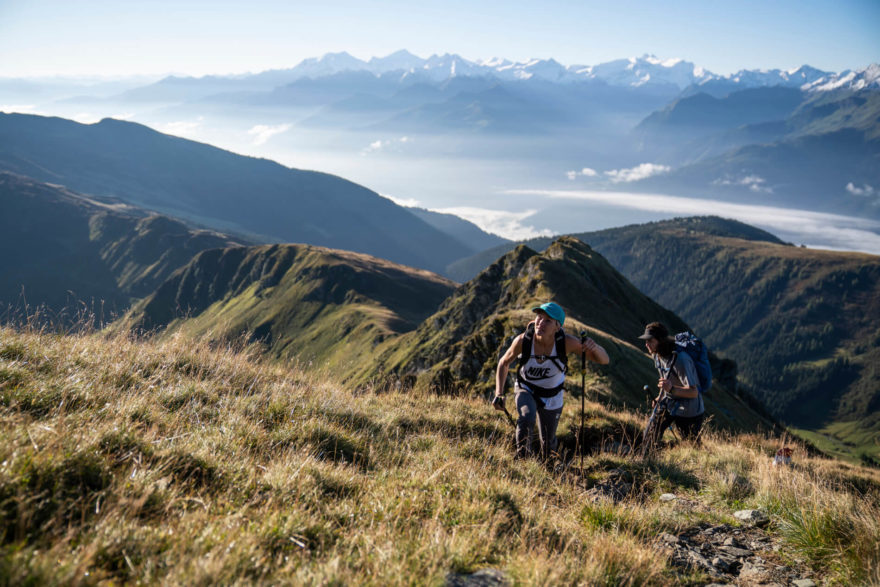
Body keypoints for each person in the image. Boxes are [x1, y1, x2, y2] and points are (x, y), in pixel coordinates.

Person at [493, 302, 609, 460]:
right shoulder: (523, 341)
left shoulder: (566, 343)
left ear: (557, 327)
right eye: (539, 317)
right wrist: (499, 393)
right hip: (525, 388)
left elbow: (604, 360)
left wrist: (594, 347)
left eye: (547, 320)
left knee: (548, 441)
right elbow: (503, 363)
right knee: (526, 418)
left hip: (552, 396)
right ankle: (523, 462)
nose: (540, 322)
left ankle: (549, 467)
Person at [639, 322, 705, 448]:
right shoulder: (657, 355)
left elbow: (693, 392)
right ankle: (646, 463)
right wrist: (660, 397)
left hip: (689, 410)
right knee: (650, 434)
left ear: (660, 341)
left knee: (693, 447)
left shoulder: (681, 359)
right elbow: (665, 379)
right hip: (669, 402)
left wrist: (672, 389)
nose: (646, 344)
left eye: (650, 341)